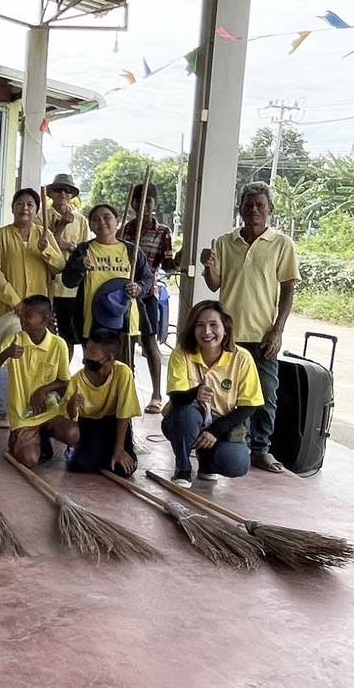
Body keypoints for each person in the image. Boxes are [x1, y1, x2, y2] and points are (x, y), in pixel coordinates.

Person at [201, 181, 299, 474]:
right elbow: (214, 284)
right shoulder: (223, 242)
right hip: (227, 336)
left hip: (262, 335)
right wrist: (207, 263)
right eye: (248, 205)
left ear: (270, 209)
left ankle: (261, 449)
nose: (254, 210)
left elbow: (288, 288)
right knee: (228, 394)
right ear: (240, 208)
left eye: (260, 205)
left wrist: (277, 329)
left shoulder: (282, 244)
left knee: (267, 394)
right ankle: (234, 445)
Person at [0, 188, 67, 428]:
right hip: (7, 309)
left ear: (36, 210)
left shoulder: (44, 235)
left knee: (34, 358)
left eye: (30, 204)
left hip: (38, 314)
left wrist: (46, 250)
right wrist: (16, 302)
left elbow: (59, 266)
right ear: (12, 208)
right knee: (7, 352)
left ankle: (32, 401)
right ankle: (3, 409)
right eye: (20, 203)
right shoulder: (1, 236)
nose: (25, 208)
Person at [163, 300, 262, 487]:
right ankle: (183, 468)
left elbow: (249, 405)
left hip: (222, 424)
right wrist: (194, 393)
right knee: (185, 414)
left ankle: (207, 463)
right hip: (189, 418)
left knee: (236, 464)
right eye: (199, 325)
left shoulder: (242, 358)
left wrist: (214, 432)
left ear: (226, 327)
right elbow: (175, 397)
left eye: (213, 325)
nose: (206, 332)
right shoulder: (181, 354)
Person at [60, 204, 155, 366]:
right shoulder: (84, 250)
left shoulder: (131, 251)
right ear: (90, 225)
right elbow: (68, 281)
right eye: (95, 219)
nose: (101, 222)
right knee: (94, 368)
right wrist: (79, 266)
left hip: (125, 320)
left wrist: (138, 288)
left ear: (117, 221)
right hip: (91, 321)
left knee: (124, 370)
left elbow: (148, 279)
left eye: (106, 217)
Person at [0, 296, 71, 469]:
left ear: (46, 320)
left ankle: (43, 435)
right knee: (29, 460)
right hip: (23, 415)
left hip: (49, 410)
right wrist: (7, 353)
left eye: (28, 316)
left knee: (73, 433)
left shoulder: (59, 344)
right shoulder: (15, 340)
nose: (22, 320)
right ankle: (21, 438)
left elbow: (64, 381)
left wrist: (43, 391)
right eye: (22, 315)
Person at [120, 182, 177, 414]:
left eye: (149, 200)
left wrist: (182, 258)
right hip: (125, 293)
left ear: (154, 204)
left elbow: (168, 264)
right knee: (127, 342)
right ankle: (127, 391)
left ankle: (156, 395)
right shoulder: (125, 229)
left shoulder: (163, 231)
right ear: (132, 204)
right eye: (139, 200)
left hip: (149, 294)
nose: (144, 205)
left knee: (150, 342)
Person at [62, 329, 140, 477]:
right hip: (89, 424)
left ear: (109, 357)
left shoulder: (123, 374)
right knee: (80, 465)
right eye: (87, 349)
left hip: (113, 423)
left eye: (92, 352)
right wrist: (72, 404)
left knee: (123, 469)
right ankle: (85, 451)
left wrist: (119, 450)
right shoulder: (78, 379)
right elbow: (70, 415)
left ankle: (105, 453)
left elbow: (124, 415)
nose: (86, 356)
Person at [45, 174, 93, 360]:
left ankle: (64, 376)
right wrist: (60, 231)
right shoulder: (42, 216)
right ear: (51, 193)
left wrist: (69, 246)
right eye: (58, 189)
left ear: (72, 194)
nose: (63, 193)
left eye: (67, 190)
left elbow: (84, 252)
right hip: (46, 284)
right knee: (47, 334)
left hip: (70, 289)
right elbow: (45, 245)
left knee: (68, 336)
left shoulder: (80, 220)